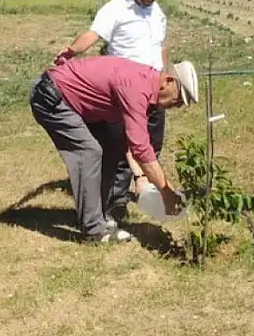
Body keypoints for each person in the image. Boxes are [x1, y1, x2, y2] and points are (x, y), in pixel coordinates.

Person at [29, 55, 197, 243]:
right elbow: (141, 149)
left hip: (74, 102)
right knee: (89, 152)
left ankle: (97, 215)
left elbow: (130, 141)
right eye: (177, 100)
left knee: (112, 146)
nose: (176, 106)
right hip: (52, 98)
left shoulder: (145, 85)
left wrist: (146, 180)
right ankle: (93, 230)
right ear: (168, 81)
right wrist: (166, 194)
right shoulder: (136, 88)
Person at [54, 0, 169, 225]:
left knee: (153, 142)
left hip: (155, 88)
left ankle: (147, 191)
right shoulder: (115, 9)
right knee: (119, 149)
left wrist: (166, 75)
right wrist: (72, 51)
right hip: (124, 92)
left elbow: (161, 46)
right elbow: (94, 34)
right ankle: (115, 203)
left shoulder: (158, 12)